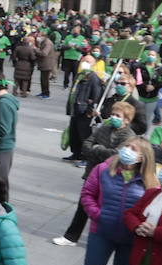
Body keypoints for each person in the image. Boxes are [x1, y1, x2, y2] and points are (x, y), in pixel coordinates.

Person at [63, 138, 158, 265]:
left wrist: (142, 226)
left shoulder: (151, 182)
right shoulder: (102, 170)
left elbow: (153, 209)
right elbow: (87, 194)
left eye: (134, 149)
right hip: (102, 231)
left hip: (131, 237)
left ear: (143, 157)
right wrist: (97, 214)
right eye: (126, 147)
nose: (128, 151)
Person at [52, 101, 137, 246]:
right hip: (92, 173)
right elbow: (87, 144)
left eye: (118, 115)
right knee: (83, 204)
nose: (113, 117)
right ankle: (71, 236)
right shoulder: (104, 128)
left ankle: (105, 239)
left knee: (107, 208)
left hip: (112, 177)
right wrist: (97, 151)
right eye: (112, 114)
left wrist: (97, 149)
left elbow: (116, 155)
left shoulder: (129, 136)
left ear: (127, 120)